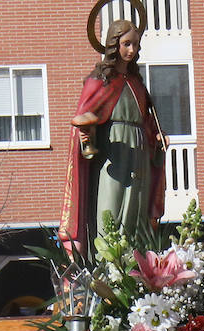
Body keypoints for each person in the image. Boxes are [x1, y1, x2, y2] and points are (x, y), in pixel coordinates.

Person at [60, 20, 165, 247]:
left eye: (136, 45)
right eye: (127, 44)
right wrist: (86, 136)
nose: (132, 50)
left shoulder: (137, 83)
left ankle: (137, 268)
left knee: (136, 210)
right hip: (113, 152)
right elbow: (84, 119)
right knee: (111, 207)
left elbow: (147, 122)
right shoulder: (100, 81)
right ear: (113, 44)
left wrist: (156, 138)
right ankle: (108, 269)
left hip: (138, 153)